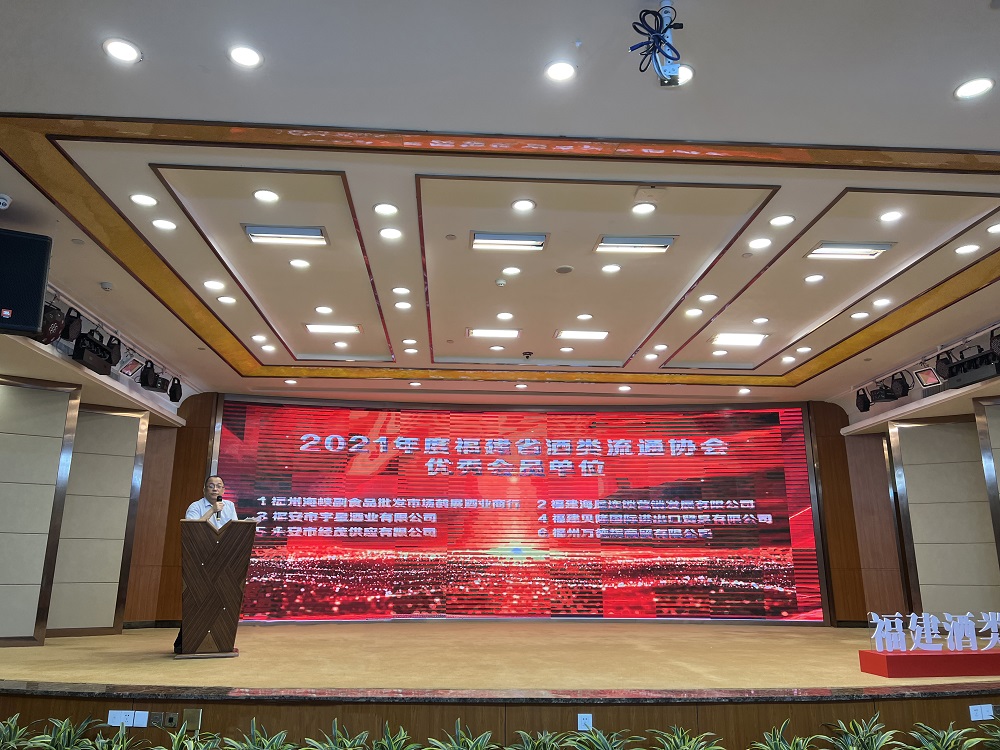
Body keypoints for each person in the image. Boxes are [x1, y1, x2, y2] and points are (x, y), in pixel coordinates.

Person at [174, 475, 237, 653]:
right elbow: (192, 529)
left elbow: (234, 529)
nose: (215, 489)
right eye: (211, 486)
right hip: (199, 559)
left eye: (219, 486)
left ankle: (219, 643)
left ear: (223, 490)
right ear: (204, 489)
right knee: (197, 601)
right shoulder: (195, 506)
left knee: (221, 602)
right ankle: (184, 643)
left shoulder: (230, 506)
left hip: (223, 561)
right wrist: (212, 511)